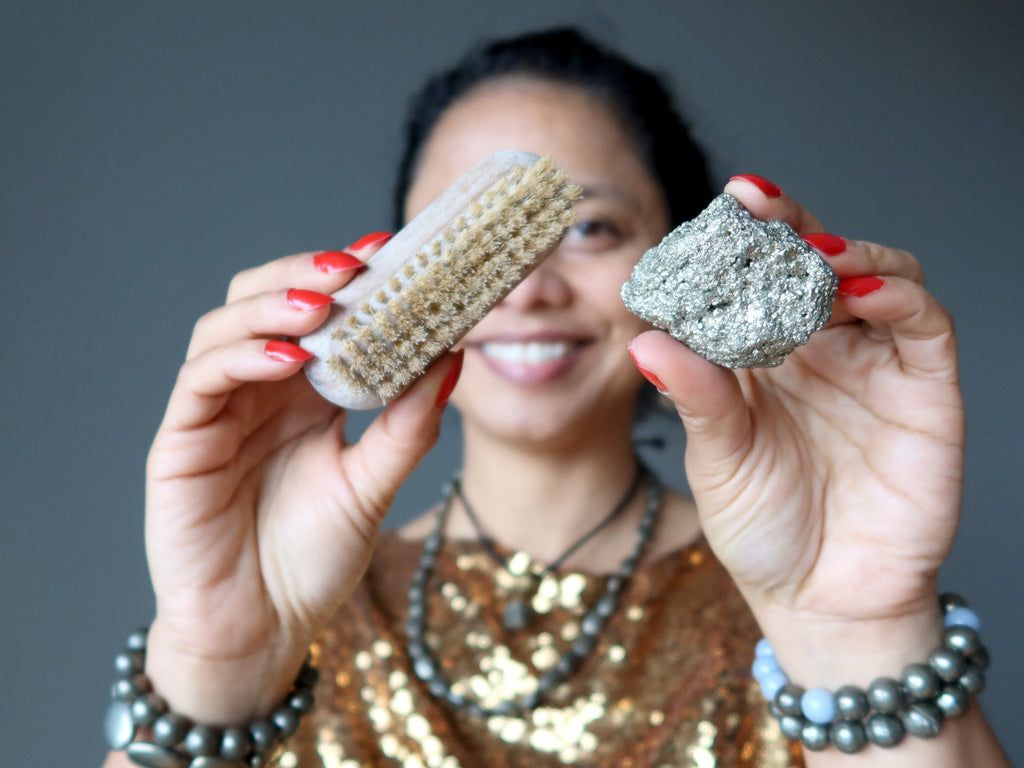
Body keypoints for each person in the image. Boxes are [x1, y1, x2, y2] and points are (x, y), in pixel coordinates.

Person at [103, 27, 1010, 768]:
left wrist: (864, 631)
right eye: (466, 241)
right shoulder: (304, 604)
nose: (526, 289)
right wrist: (215, 660)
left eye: (589, 227)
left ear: (680, 255)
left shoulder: (791, 607)